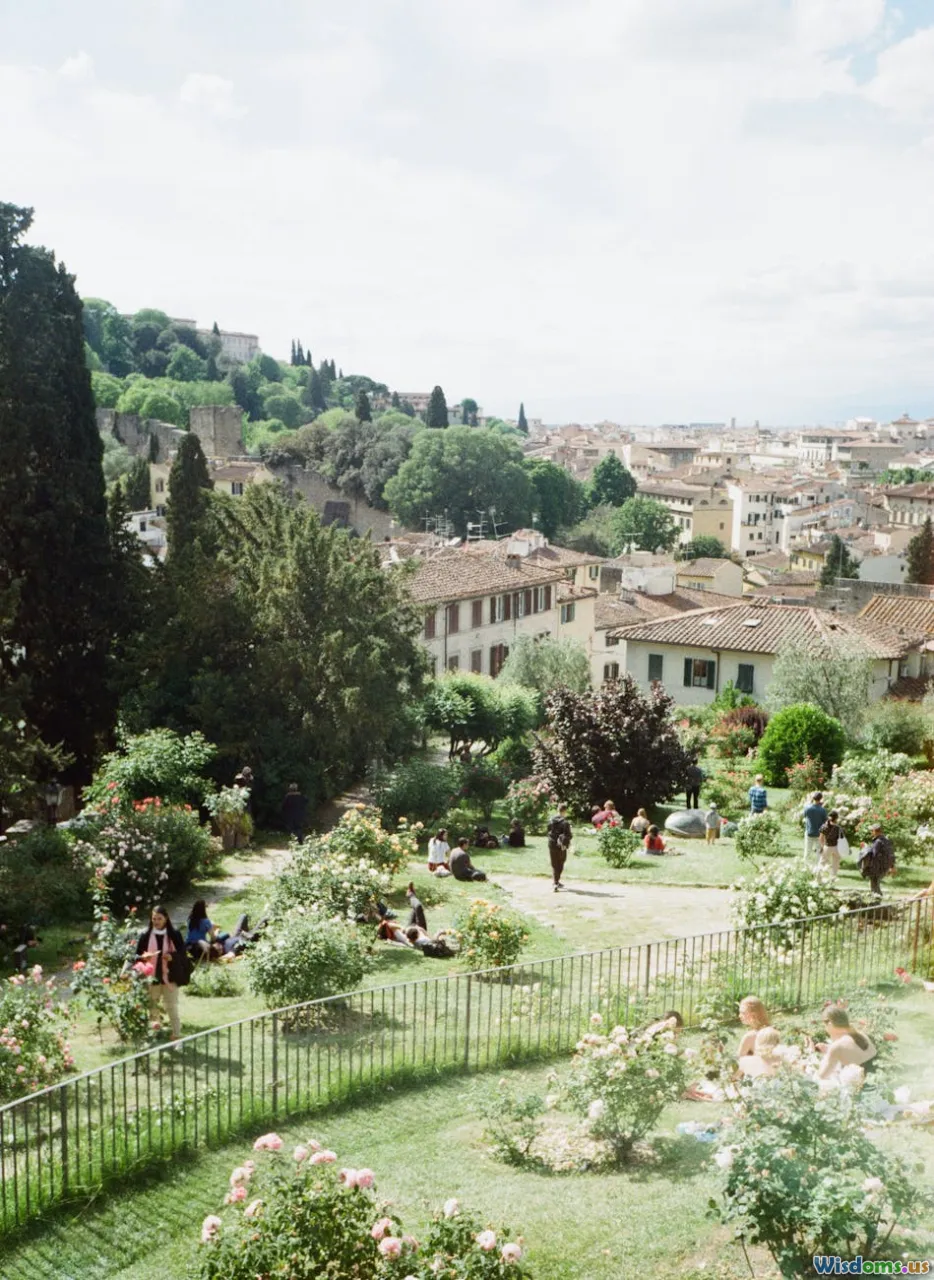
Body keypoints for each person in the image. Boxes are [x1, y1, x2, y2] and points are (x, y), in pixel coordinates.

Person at [135, 905, 188, 1041]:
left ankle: (176, 1034)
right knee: (153, 1006)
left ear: (166, 919)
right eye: (154, 919)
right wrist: (144, 957)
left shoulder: (174, 934)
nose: (156, 921)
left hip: (170, 976)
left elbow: (183, 954)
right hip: (152, 977)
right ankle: (156, 1032)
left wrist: (172, 957)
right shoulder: (145, 935)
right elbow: (137, 956)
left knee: (171, 1007)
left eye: (159, 918)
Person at [816, 1007, 877, 1080]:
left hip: (860, 1086)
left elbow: (821, 1077)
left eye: (824, 1026)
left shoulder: (836, 1047)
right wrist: (829, 1049)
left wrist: (810, 1051)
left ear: (829, 1025)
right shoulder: (862, 1035)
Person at [858, 822, 895, 897]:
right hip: (884, 867)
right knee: (876, 884)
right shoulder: (886, 840)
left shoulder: (877, 842)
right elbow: (891, 854)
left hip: (876, 867)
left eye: (872, 831)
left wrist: (865, 847)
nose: (871, 832)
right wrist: (892, 866)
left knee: (874, 886)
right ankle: (877, 899)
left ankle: (877, 900)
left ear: (876, 831)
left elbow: (873, 855)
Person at [547, 803, 573, 892]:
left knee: (554, 863)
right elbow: (569, 835)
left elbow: (548, 831)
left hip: (551, 844)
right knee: (561, 862)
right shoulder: (565, 823)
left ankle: (556, 882)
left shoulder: (551, 820)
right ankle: (556, 882)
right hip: (561, 845)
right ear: (565, 811)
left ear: (558, 810)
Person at [803, 792, 828, 863]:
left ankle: (806, 865)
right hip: (819, 834)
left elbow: (805, 816)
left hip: (809, 832)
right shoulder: (822, 810)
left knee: (807, 851)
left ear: (813, 798)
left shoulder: (807, 808)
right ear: (821, 799)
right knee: (819, 852)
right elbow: (825, 822)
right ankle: (818, 867)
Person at [819, 809, 843, 878]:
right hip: (836, 847)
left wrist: (822, 846)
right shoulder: (838, 828)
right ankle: (833, 878)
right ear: (836, 818)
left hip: (827, 846)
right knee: (835, 864)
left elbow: (821, 838)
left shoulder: (824, 826)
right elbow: (840, 839)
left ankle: (819, 878)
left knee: (822, 863)